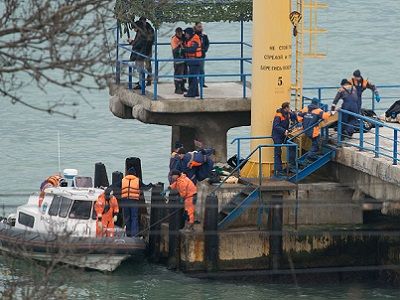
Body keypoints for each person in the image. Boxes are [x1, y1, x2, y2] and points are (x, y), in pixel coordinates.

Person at [272, 102, 297, 174]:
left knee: (292, 146)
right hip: (277, 136)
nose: (290, 108)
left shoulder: (287, 113)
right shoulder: (278, 115)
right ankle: (278, 170)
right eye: (289, 107)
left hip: (284, 135)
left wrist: (292, 113)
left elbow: (295, 119)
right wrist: (284, 130)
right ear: (286, 108)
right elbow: (275, 126)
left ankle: (291, 164)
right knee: (278, 152)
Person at [121, 167, 141, 237]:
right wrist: (152, 185)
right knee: (134, 217)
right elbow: (145, 187)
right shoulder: (137, 180)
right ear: (134, 174)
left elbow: (115, 185)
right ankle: (134, 235)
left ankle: (128, 234)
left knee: (127, 217)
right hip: (134, 201)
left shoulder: (123, 180)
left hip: (125, 201)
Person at [182, 27, 202, 98]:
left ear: (189, 34)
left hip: (195, 60)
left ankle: (191, 93)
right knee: (193, 77)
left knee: (192, 77)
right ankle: (196, 92)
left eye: (186, 33)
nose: (185, 35)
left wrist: (184, 50)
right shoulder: (189, 39)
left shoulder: (195, 39)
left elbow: (193, 49)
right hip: (191, 60)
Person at [128, 21, 147, 90]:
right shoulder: (140, 33)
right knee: (139, 69)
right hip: (140, 54)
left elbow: (138, 44)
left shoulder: (141, 34)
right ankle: (141, 82)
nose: (134, 30)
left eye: (134, 28)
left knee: (140, 69)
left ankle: (142, 84)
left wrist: (131, 42)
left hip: (140, 54)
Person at [139, 17, 155, 87]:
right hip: (142, 49)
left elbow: (150, 39)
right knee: (140, 65)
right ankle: (141, 79)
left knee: (148, 65)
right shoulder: (141, 29)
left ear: (145, 21)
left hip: (147, 49)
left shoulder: (150, 29)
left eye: (143, 22)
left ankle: (149, 80)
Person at [171, 28, 187, 94]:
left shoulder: (183, 37)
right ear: (176, 33)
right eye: (178, 33)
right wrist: (179, 44)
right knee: (178, 73)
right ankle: (177, 88)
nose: (180, 34)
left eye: (181, 33)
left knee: (185, 73)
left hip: (184, 58)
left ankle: (183, 86)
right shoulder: (174, 39)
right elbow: (175, 50)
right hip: (178, 58)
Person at [194, 22, 209, 88]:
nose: (201, 28)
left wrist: (204, 50)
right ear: (195, 27)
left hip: (202, 55)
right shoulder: (193, 35)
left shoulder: (204, 36)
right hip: (193, 55)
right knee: (193, 70)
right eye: (199, 27)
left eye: (201, 27)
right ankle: (193, 83)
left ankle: (202, 82)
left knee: (201, 69)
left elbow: (207, 44)